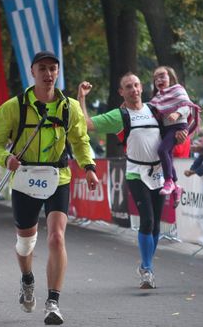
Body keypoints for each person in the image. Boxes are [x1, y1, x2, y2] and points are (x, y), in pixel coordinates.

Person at [0, 51, 98, 325]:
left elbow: (80, 141)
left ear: (58, 72)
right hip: (24, 179)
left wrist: (89, 167)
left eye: (53, 69)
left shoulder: (69, 107)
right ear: (32, 72)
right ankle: (27, 279)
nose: (48, 74)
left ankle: (53, 302)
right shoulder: (14, 106)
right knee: (26, 243)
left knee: (57, 237)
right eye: (42, 68)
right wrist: (5, 158)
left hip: (58, 177)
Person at [78, 72, 186, 290]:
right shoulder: (120, 115)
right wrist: (81, 98)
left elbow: (175, 126)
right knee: (147, 220)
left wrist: (180, 134)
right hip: (136, 173)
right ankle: (147, 269)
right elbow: (87, 124)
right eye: (128, 86)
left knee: (155, 224)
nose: (134, 90)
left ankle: (146, 265)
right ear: (121, 92)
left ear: (141, 87)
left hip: (158, 173)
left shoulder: (155, 110)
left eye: (136, 85)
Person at [151, 66, 200, 195]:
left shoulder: (178, 90)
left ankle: (168, 180)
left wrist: (177, 113)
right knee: (167, 154)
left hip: (178, 127)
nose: (159, 80)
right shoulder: (157, 97)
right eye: (156, 79)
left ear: (170, 78)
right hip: (166, 128)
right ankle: (176, 185)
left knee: (162, 150)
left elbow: (187, 106)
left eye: (162, 76)